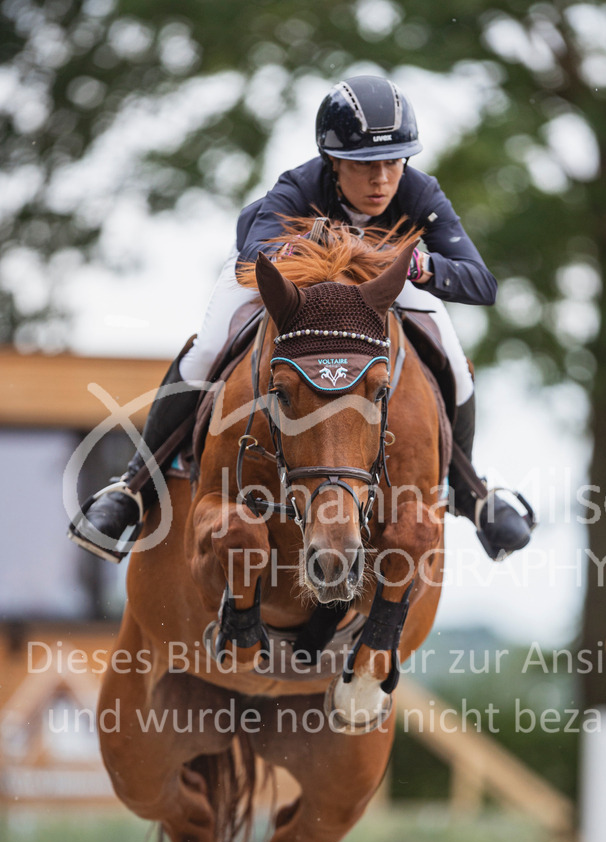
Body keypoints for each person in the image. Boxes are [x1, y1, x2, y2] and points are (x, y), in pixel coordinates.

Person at [68, 75, 532, 563]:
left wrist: (420, 266)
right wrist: (307, 256)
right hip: (294, 283)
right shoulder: (299, 184)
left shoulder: (420, 191)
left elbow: (481, 283)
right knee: (207, 348)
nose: (381, 180)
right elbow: (254, 254)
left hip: (382, 286)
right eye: (365, 165)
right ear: (333, 162)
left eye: (394, 162)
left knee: (454, 360)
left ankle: (469, 488)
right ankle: (134, 487)